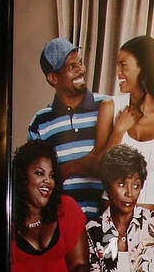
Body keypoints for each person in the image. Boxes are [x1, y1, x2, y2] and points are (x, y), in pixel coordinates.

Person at [27, 39, 114, 221]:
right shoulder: (40, 122)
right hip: (62, 227)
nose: (81, 70)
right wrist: (78, 166)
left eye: (80, 63)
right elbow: (36, 181)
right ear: (53, 78)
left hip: (107, 227)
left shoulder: (108, 107)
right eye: (71, 66)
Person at [96, 35, 154, 215]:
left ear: (144, 67)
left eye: (123, 65)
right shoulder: (109, 108)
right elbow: (99, 167)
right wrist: (118, 131)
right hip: (111, 217)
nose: (118, 72)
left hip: (150, 218)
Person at [86, 145, 154, 272]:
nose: (130, 193)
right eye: (121, 184)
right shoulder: (93, 230)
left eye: (136, 185)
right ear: (107, 187)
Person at [10, 140, 88, 272]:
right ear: (22, 177)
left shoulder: (66, 208)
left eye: (51, 175)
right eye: (39, 173)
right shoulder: (6, 215)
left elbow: (79, 265)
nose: (48, 181)